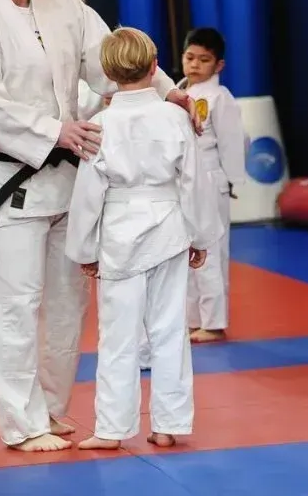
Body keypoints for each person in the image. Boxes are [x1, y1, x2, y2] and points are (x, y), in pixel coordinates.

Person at [0, 0, 193, 453]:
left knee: (67, 302)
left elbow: (112, 61)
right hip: (6, 179)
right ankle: (21, 422)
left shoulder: (64, 3)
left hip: (65, 176)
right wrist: (55, 130)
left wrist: (168, 91)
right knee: (13, 304)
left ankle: (51, 407)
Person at [65, 27, 221, 451]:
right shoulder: (176, 118)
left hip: (118, 233)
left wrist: (83, 248)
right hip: (170, 227)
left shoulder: (99, 124)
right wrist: (201, 236)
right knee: (170, 329)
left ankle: (112, 428)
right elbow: (193, 183)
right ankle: (168, 424)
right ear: (155, 69)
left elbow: (88, 194)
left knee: (118, 335)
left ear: (107, 74)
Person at [177, 27, 246, 344]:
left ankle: (215, 321)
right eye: (190, 57)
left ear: (218, 65)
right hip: (182, 181)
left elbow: (235, 142)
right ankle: (193, 319)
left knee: (212, 251)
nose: (194, 65)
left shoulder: (220, 98)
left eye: (204, 60)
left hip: (211, 179)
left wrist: (232, 179)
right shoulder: (177, 92)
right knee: (186, 252)